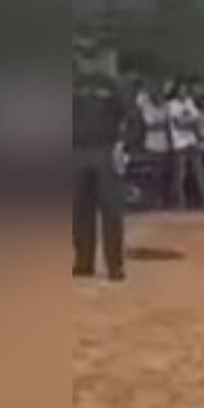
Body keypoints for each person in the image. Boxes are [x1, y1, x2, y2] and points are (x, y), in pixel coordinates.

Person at [73, 69, 128, 281]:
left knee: (111, 211)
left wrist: (123, 144)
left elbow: (131, 117)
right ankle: (83, 261)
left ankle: (114, 265)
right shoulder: (73, 84)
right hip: (76, 150)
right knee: (79, 210)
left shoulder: (112, 85)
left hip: (107, 150)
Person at [167, 80, 204, 209]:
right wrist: (189, 122)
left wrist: (189, 123)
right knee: (180, 174)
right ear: (176, 91)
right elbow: (178, 124)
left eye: (185, 90)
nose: (183, 92)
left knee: (199, 172)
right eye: (181, 89)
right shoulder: (171, 105)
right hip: (179, 142)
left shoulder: (190, 102)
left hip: (192, 141)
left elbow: (197, 121)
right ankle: (181, 202)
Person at [135, 83, 171, 208]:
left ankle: (162, 199)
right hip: (151, 144)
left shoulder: (165, 107)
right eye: (156, 96)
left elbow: (165, 124)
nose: (159, 98)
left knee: (163, 173)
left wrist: (159, 124)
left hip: (164, 143)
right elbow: (150, 126)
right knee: (152, 173)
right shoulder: (147, 107)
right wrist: (159, 124)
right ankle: (151, 199)